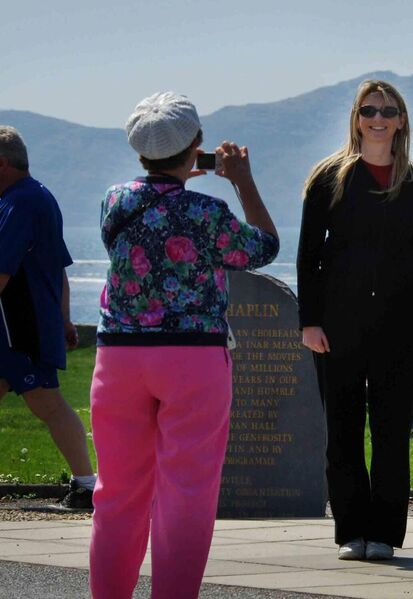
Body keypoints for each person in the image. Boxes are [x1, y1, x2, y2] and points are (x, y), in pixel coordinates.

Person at [88, 92, 279, 598]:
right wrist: (242, 180)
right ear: (196, 146)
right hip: (193, 357)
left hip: (119, 356)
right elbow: (264, 246)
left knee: (117, 495)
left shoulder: (115, 200)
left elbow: (154, 202)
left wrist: (175, 167)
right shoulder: (208, 212)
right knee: (187, 495)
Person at [297, 79, 413, 561]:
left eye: (388, 110)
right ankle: (351, 531)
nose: (378, 117)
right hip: (336, 325)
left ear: (401, 119)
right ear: (357, 117)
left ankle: (385, 533)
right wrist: (310, 322)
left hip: (397, 323)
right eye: (369, 109)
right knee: (342, 432)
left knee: (392, 433)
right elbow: (308, 256)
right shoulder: (328, 177)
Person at [0, 125, 96, 510]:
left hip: (20, 330)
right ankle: (87, 485)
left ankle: (87, 486)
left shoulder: (19, 203)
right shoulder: (36, 197)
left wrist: (61, 320)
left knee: (49, 404)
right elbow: (58, 269)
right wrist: (67, 318)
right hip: (22, 327)